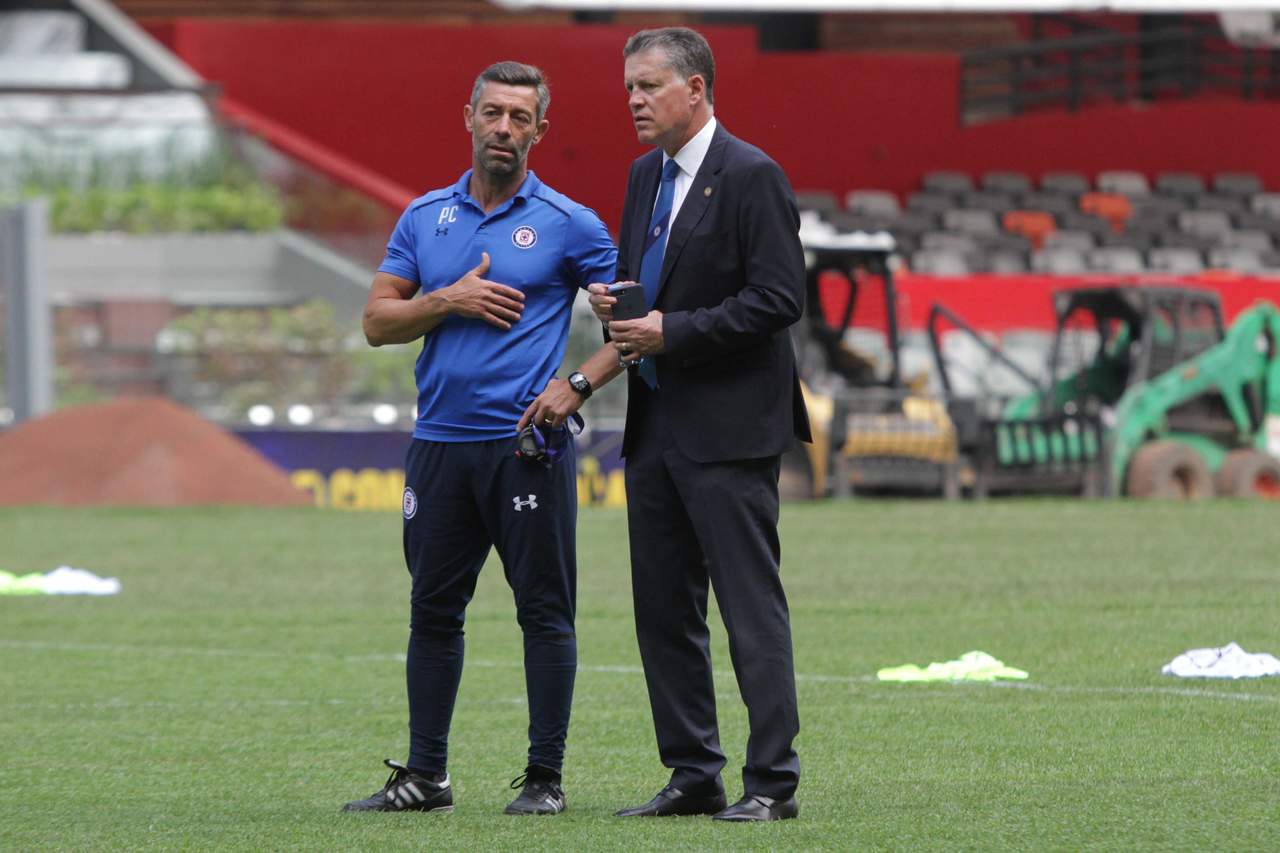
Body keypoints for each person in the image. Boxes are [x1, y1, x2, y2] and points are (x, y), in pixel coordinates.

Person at [343, 60, 616, 817]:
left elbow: (631, 325)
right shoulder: (424, 217)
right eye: (493, 112)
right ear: (467, 116)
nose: (504, 128)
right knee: (432, 609)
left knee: (544, 611)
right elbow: (375, 323)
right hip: (438, 446)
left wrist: (577, 383)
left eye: (520, 117)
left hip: (523, 446)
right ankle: (425, 775)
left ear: (540, 130)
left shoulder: (570, 222)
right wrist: (448, 298)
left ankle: (545, 778)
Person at [589, 27, 811, 822]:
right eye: (629, 90)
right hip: (655, 427)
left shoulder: (753, 175)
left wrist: (672, 331)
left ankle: (772, 783)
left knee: (749, 607)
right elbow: (648, 282)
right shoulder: (644, 176)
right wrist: (619, 307)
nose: (636, 102)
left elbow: (781, 299)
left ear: (697, 88)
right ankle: (693, 773)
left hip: (730, 431)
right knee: (664, 611)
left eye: (649, 87)